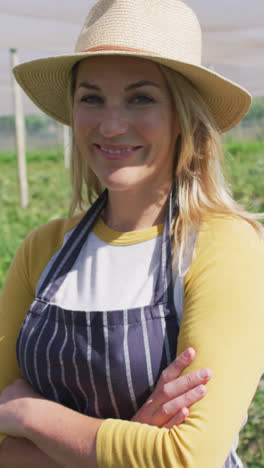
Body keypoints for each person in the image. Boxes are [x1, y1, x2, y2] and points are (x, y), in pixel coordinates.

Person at [0, 0, 264, 467]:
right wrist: (131, 442)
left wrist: (31, 415)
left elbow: (186, 458)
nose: (112, 124)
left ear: (182, 115)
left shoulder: (224, 247)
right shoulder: (41, 250)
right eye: (92, 97)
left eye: (141, 98)